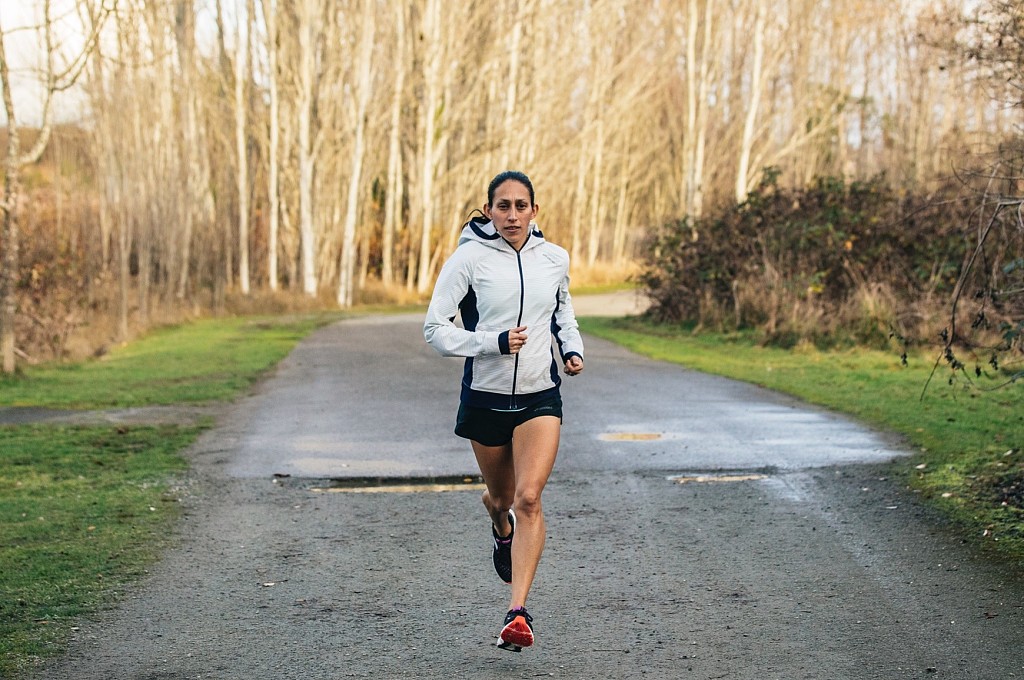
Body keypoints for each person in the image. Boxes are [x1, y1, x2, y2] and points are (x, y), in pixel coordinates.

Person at [423, 171, 585, 652]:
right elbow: (435, 329)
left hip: (539, 394)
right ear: (489, 210)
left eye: (521, 205)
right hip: (486, 395)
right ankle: (499, 525)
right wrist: (491, 343)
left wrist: (571, 348)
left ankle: (517, 613)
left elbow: (562, 310)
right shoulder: (468, 259)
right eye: (503, 206)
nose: (512, 215)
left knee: (528, 498)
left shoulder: (554, 258)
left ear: (534, 210)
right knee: (502, 498)